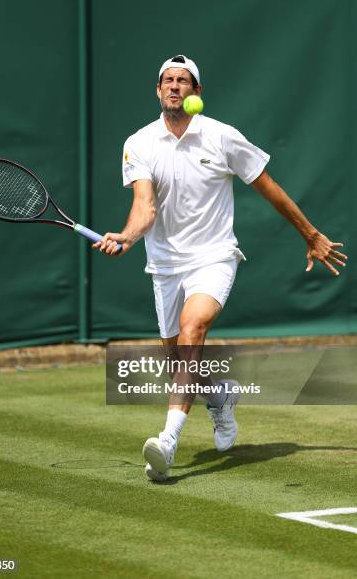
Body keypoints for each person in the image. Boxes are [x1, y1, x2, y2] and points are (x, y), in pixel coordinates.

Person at [93, 54, 347, 481]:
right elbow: (144, 207)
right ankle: (220, 397)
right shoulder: (138, 143)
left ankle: (167, 441)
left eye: (184, 81)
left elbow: (270, 189)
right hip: (165, 265)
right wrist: (126, 236)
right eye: (168, 81)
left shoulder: (222, 137)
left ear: (196, 92)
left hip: (214, 256)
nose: (175, 87)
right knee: (176, 357)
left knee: (193, 330)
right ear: (158, 91)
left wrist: (310, 233)